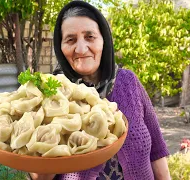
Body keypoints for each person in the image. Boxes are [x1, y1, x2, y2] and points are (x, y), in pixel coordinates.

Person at [30, 1, 171, 179]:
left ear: (104, 40)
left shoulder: (129, 83)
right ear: (60, 47)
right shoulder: (50, 95)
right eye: (70, 39)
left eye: (90, 37)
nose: (81, 49)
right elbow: (39, 177)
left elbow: (157, 152)